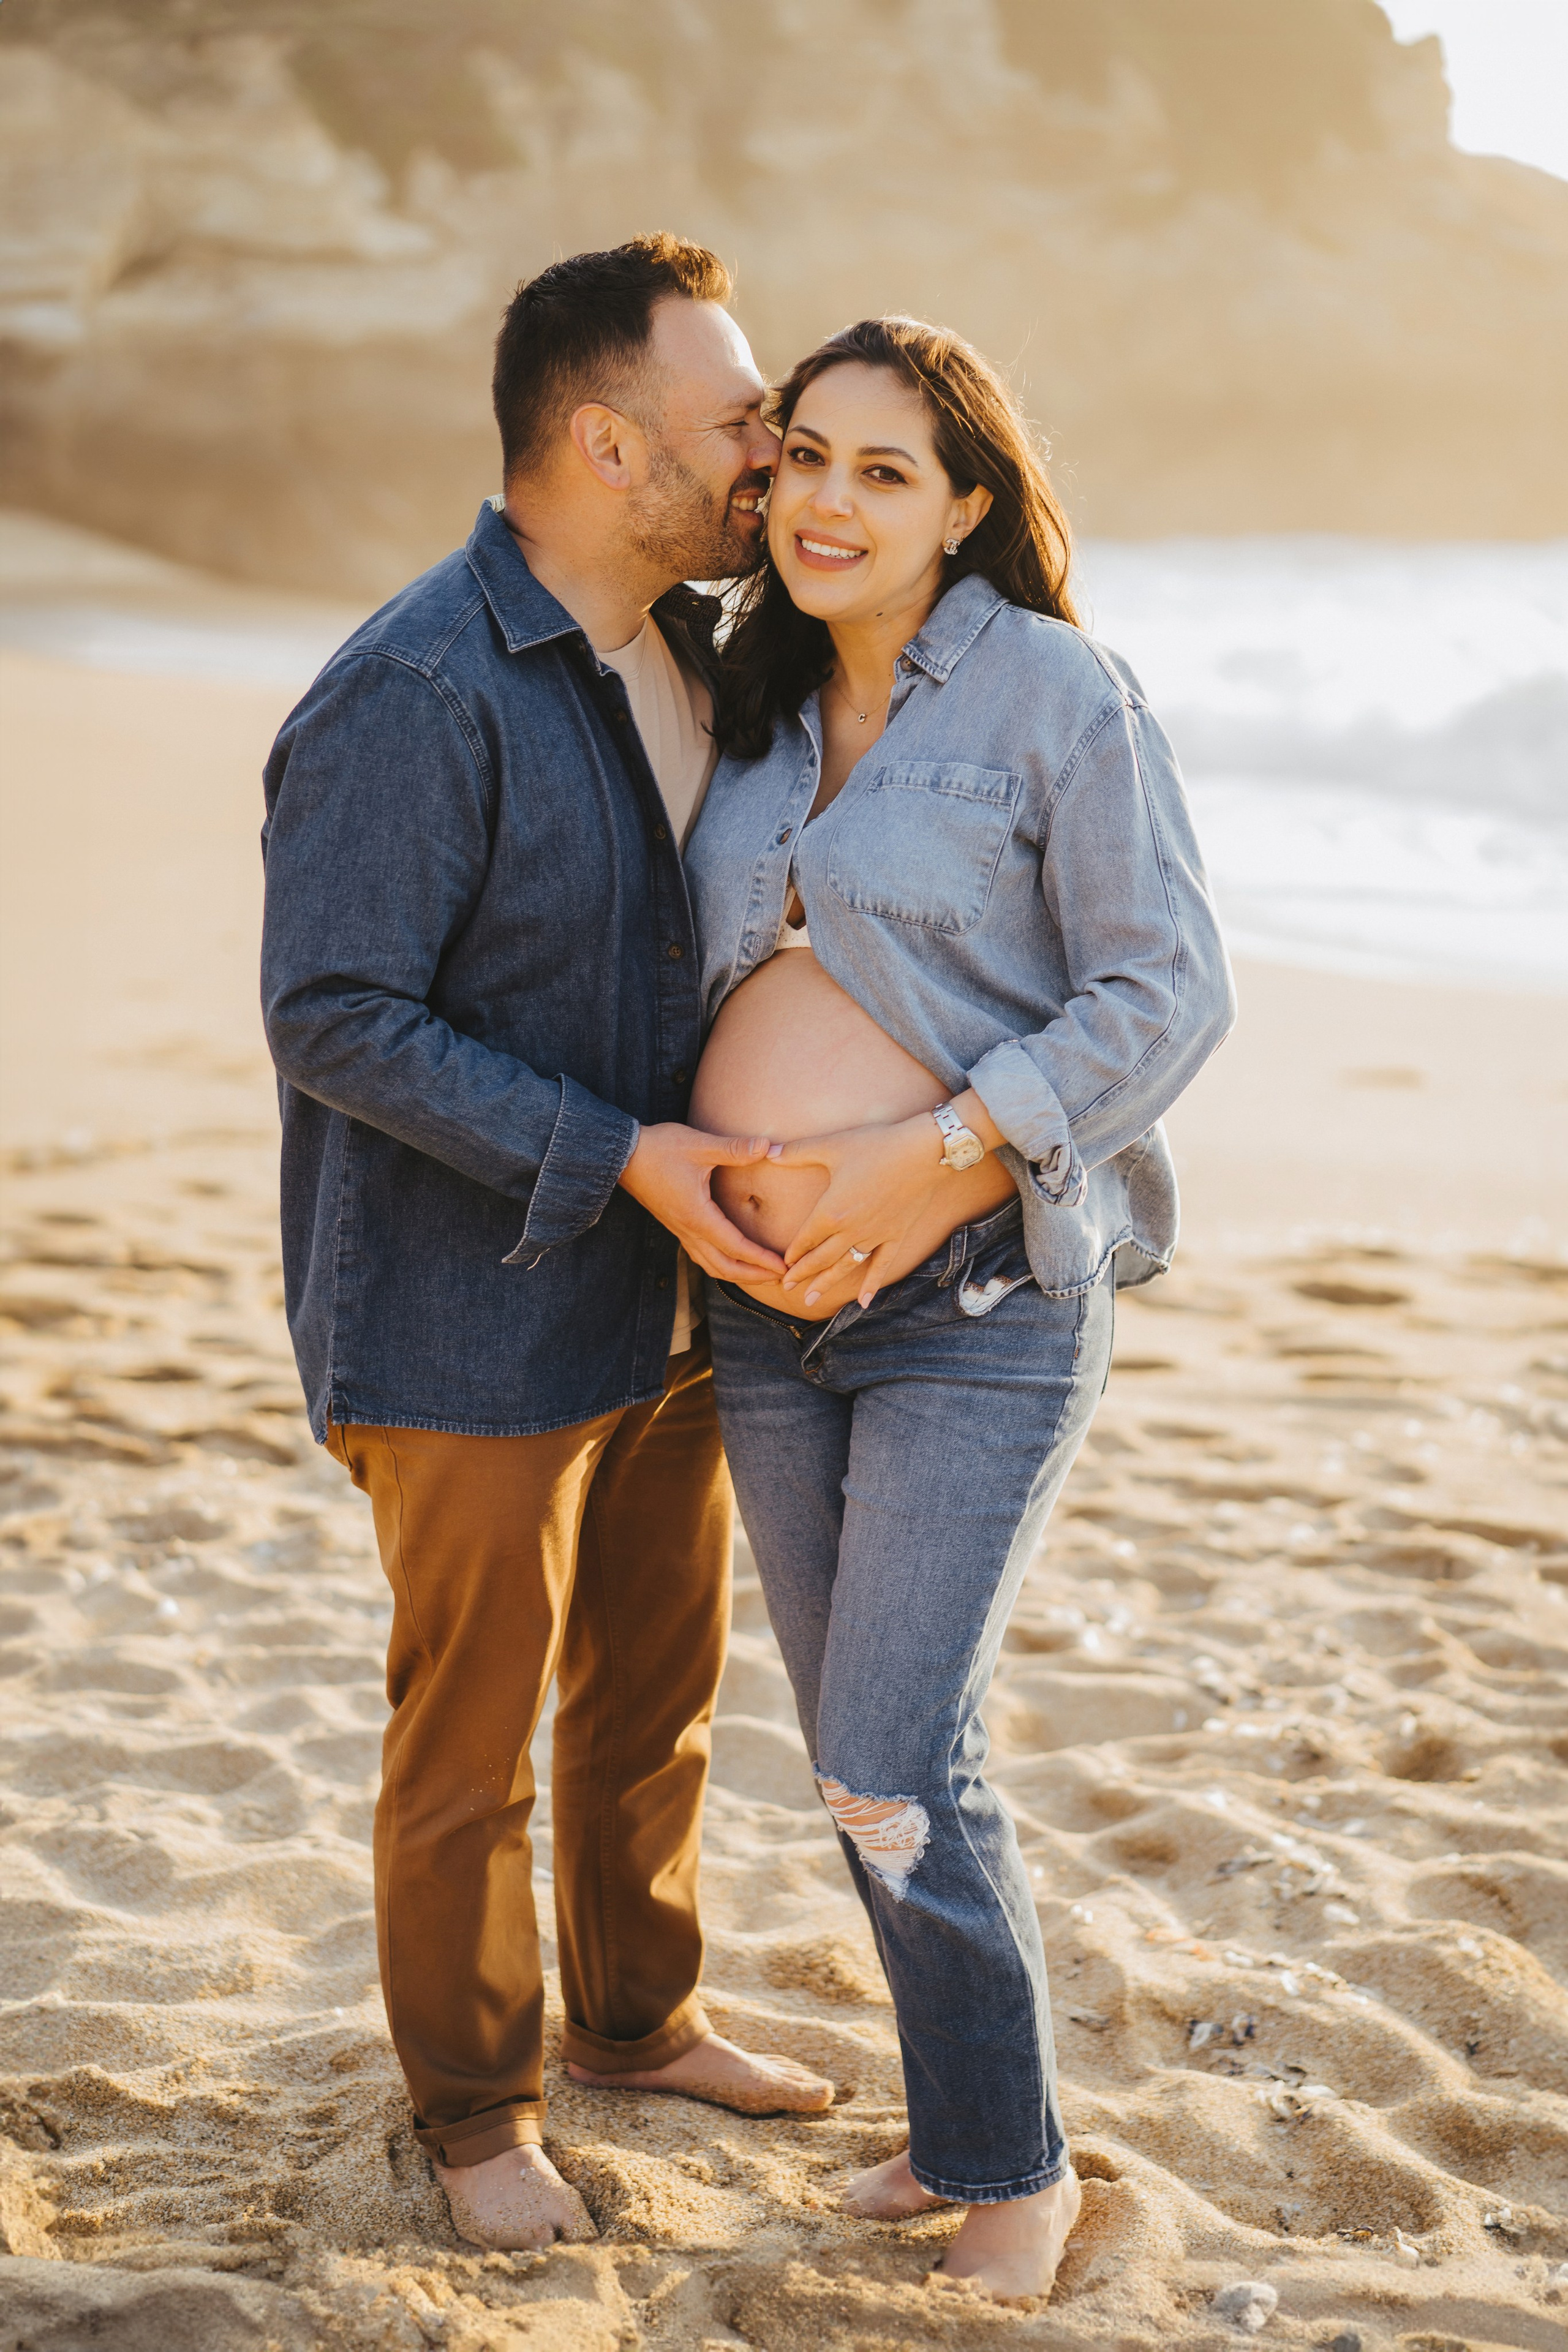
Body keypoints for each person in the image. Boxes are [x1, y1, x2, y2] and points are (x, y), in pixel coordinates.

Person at [259, 235, 835, 2256]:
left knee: (649, 1692)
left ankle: (638, 2018)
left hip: (667, 1284)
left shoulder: (689, 650)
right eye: (739, 417)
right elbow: (332, 1010)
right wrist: (625, 1154)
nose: (770, 448)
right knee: (471, 1734)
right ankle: (476, 2108)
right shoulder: (413, 689)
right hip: (457, 1303)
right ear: (602, 438)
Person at [683, 315, 1236, 2304]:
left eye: (886, 471)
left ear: (971, 504)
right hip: (768, 1313)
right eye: (806, 458)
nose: (828, 500)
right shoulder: (741, 710)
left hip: (981, 1295)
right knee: (856, 1742)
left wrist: (928, 1158)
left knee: (900, 1747)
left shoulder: (1052, 693)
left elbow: (1167, 992)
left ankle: (1019, 2170)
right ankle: (954, 2118)